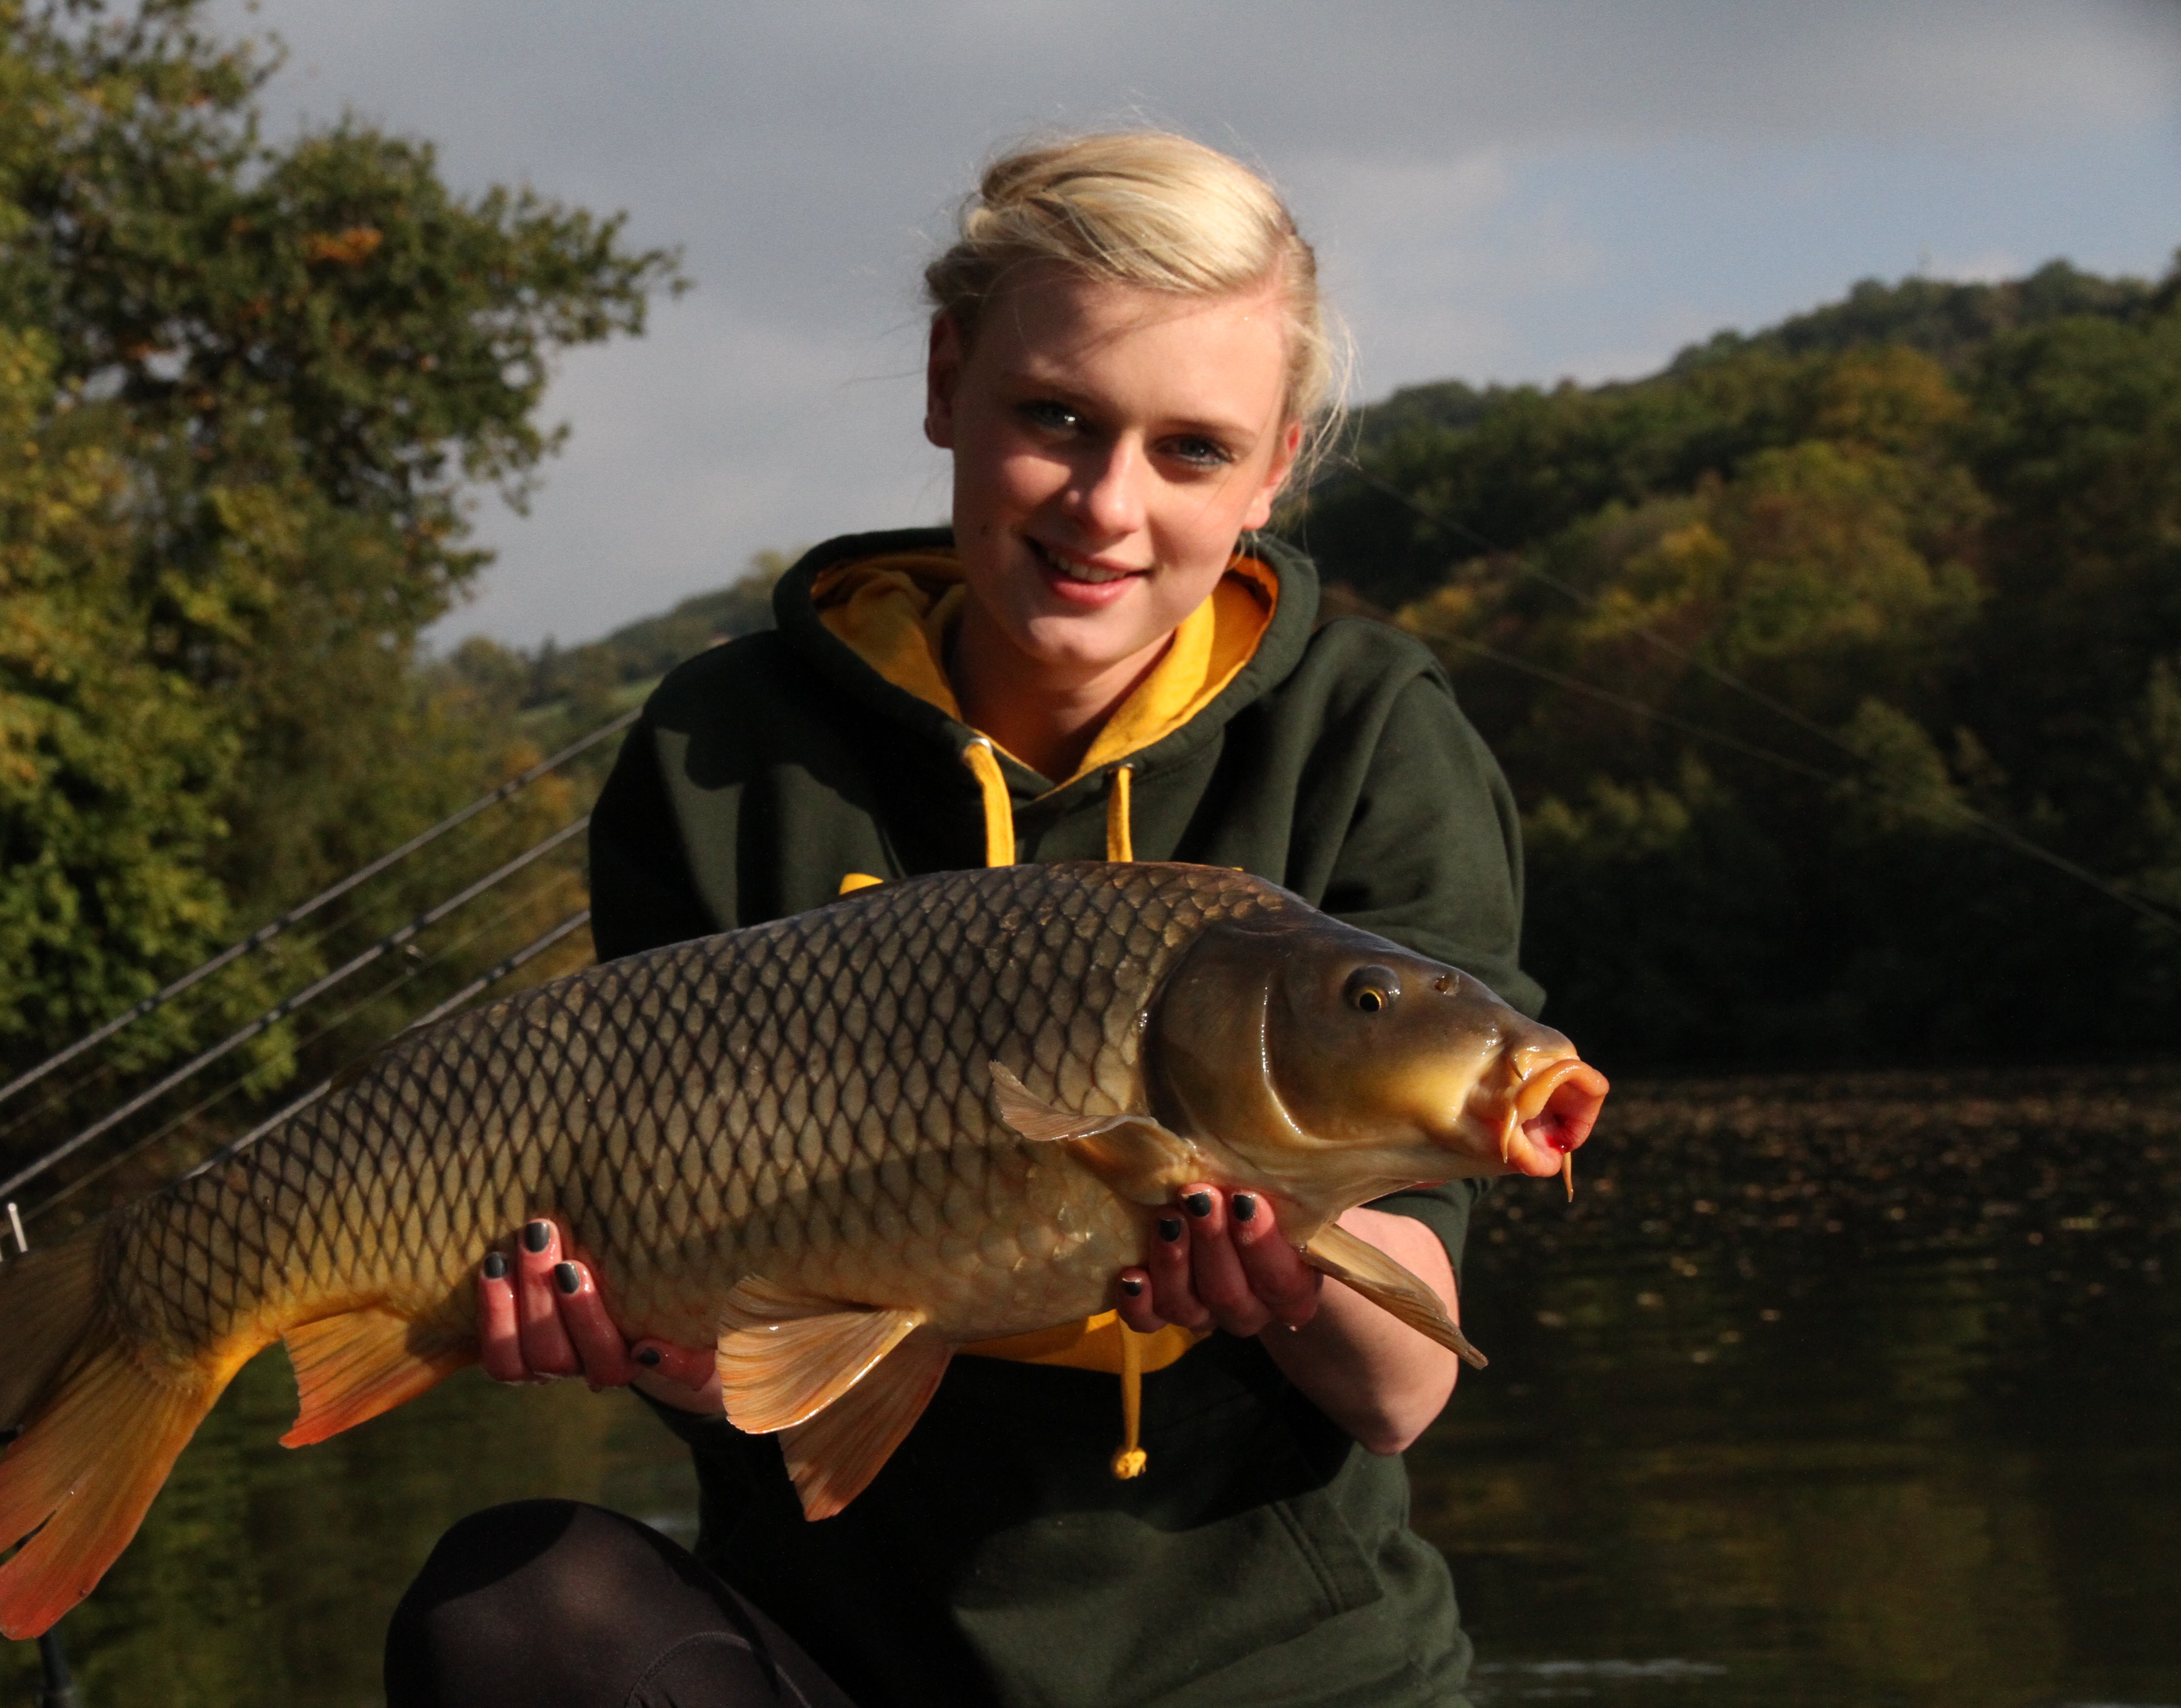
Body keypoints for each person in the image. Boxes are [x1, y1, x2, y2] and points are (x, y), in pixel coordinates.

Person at [385, 131, 1543, 1708]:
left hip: (1286, 1669)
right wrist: (644, 1344)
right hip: (839, 1654)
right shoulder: (725, 749)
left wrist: (1297, 1258)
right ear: (946, 382)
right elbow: (755, 1396)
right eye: (1055, 418)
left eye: (1192, 450)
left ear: (1276, 470)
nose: (1108, 507)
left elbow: (1404, 1390)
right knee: (511, 1612)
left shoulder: (1368, 732)